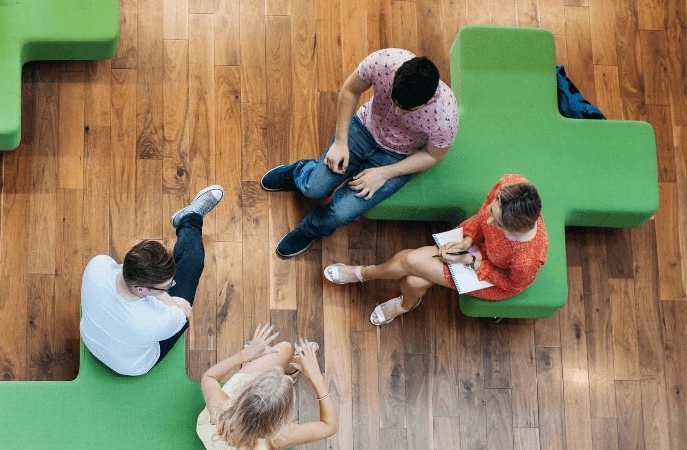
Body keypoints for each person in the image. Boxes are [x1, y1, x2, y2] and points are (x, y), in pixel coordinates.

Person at [262, 49, 459, 257]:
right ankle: (298, 171)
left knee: (340, 213)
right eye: (394, 102)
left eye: (407, 110)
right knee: (314, 189)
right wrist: (340, 142)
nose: (396, 113)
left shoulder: (445, 116)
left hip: (398, 157)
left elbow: (433, 155)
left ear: (429, 100)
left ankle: (309, 229)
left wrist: (384, 173)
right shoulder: (384, 62)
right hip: (364, 128)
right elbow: (351, 90)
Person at [324, 174, 547, 325]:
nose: (489, 222)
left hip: (490, 277)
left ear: (516, 228)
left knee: (409, 261)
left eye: (498, 223)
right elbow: (482, 217)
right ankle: (406, 303)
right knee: (413, 282)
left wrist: (469, 261)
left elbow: (510, 284)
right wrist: (467, 243)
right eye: (493, 212)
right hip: (473, 249)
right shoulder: (512, 183)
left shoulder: (528, 258)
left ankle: (363, 273)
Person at [79, 185, 224, 376]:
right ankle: (189, 218)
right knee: (192, 262)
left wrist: (162, 293)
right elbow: (182, 315)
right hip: (134, 365)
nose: (172, 285)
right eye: (166, 286)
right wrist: (174, 303)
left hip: (92, 339)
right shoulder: (157, 322)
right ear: (141, 289)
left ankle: (187, 220)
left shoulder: (97, 266)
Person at [198, 323, 338, 449]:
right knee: (286, 348)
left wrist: (243, 355)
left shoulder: (220, 411)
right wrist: (317, 378)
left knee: (281, 351)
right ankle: (291, 368)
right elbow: (329, 426)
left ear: (244, 395)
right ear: (283, 416)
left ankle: (258, 363)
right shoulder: (282, 437)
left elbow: (209, 377)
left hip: (216, 436)